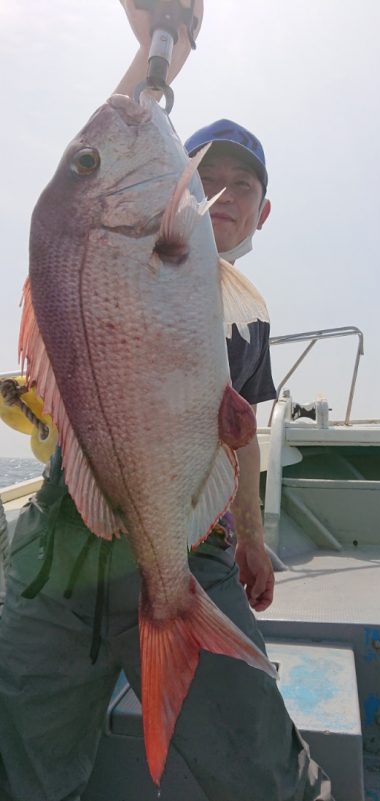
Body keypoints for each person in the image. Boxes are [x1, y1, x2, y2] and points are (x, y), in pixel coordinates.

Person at [0, 3, 334, 800]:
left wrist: (250, 541)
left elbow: (244, 439)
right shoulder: (125, 237)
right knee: (25, 765)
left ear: (263, 212)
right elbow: (79, 190)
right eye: (204, 177)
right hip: (63, 545)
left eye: (240, 187)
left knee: (262, 766)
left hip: (189, 544)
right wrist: (161, 59)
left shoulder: (240, 314)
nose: (219, 196)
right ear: (177, 180)